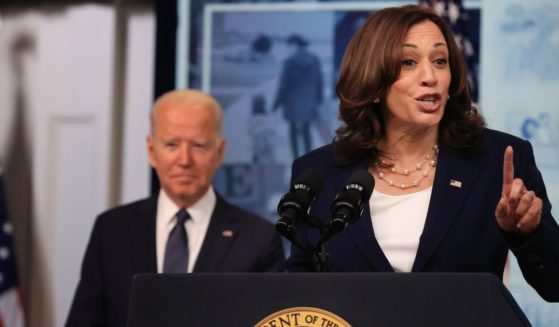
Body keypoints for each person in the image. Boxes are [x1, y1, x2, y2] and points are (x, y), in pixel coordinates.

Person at [286, 5, 559, 302]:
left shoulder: (499, 159)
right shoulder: (319, 172)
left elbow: (555, 285)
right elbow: (299, 296)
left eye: (440, 61)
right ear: (373, 80)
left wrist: (528, 232)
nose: (431, 76)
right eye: (408, 62)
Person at [66, 89, 286, 327]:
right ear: (152, 151)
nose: (184, 160)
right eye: (171, 145)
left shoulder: (258, 239)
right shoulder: (111, 230)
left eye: (198, 146)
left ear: (219, 152)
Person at [273, 34, 323, 159]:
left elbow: (283, 85)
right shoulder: (315, 60)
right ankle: (308, 157)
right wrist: (318, 100)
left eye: (289, 45)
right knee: (306, 128)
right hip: (309, 101)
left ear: (295, 45)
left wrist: (276, 104)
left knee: (293, 129)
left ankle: (295, 157)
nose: (288, 48)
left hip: (292, 102)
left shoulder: (290, 62)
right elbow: (319, 82)